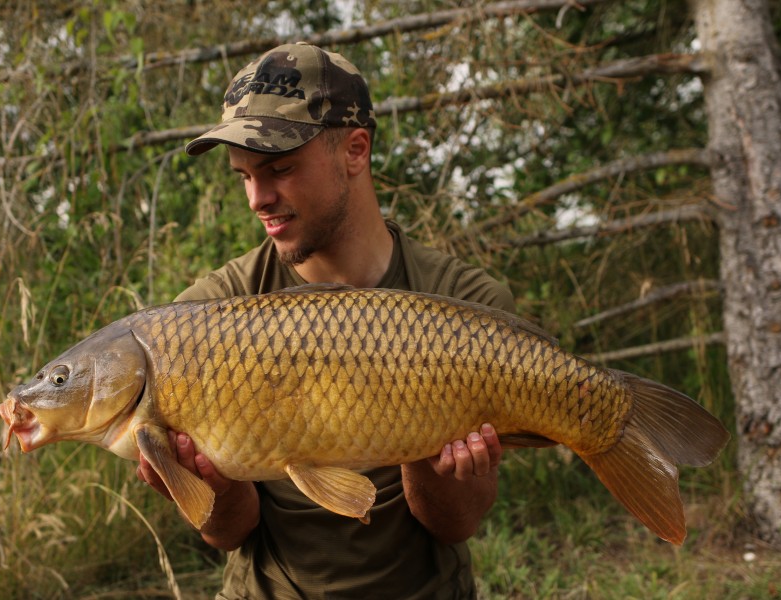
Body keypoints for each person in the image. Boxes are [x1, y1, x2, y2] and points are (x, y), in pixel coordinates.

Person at [137, 42, 516, 599]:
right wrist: (207, 482)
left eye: (279, 168)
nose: (257, 199)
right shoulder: (209, 314)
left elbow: (456, 525)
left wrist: (429, 442)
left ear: (355, 151)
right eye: (243, 176)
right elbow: (230, 532)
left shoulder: (462, 302)